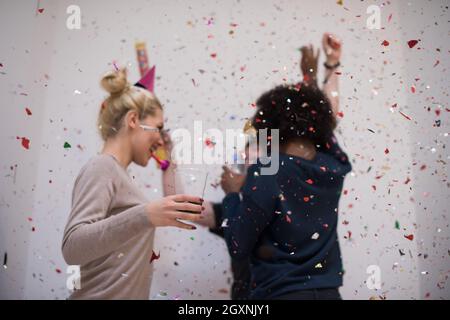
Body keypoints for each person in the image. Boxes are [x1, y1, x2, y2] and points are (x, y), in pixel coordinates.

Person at [218, 33, 352, 300]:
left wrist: (232, 194)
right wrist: (324, 70)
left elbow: (237, 245)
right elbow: (323, 120)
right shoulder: (333, 164)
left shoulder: (269, 169)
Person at [61, 67, 204, 299]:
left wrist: (169, 159)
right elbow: (72, 248)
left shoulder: (120, 175)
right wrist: (144, 215)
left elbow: (180, 210)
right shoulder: (102, 167)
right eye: (158, 128)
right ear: (133, 120)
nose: (160, 137)